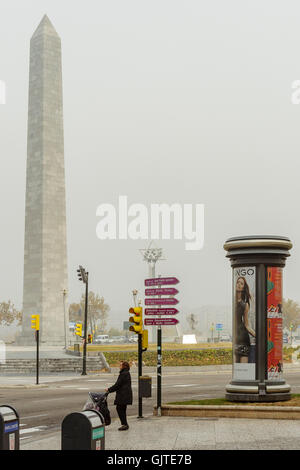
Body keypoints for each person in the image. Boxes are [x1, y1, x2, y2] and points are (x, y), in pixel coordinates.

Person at [105, 361, 132, 431]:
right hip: (125, 394)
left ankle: (124, 424)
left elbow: (118, 385)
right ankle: (125, 424)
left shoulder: (123, 374)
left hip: (123, 395)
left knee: (120, 409)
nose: (119, 366)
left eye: (120, 365)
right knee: (122, 409)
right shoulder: (126, 373)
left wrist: (109, 389)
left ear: (124, 366)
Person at [234, 276, 256, 363]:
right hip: (235, 339)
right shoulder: (232, 301)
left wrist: (259, 336)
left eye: (241, 283)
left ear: (244, 288)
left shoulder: (245, 305)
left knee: (244, 369)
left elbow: (247, 325)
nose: (239, 284)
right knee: (236, 367)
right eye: (237, 282)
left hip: (243, 339)